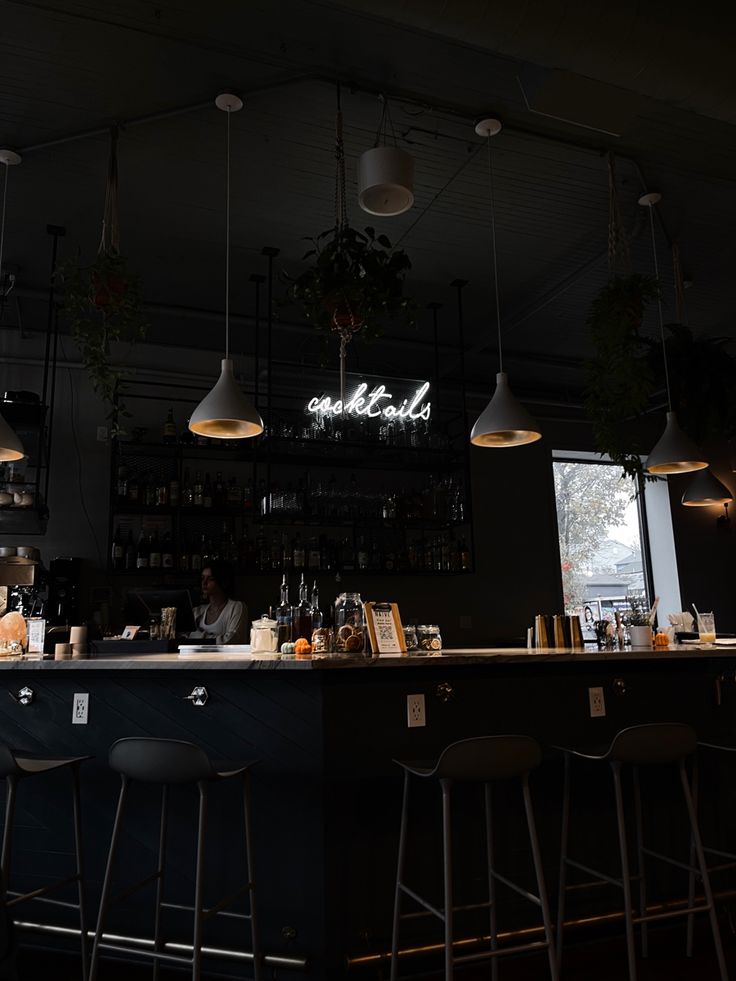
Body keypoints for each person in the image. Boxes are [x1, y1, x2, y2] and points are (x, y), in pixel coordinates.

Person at [189, 561, 246, 645]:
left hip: (226, 657)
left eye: (210, 579)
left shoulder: (236, 607)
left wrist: (198, 637)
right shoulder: (197, 611)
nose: (204, 583)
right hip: (198, 657)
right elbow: (184, 636)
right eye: (202, 578)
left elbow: (232, 640)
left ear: (223, 581)